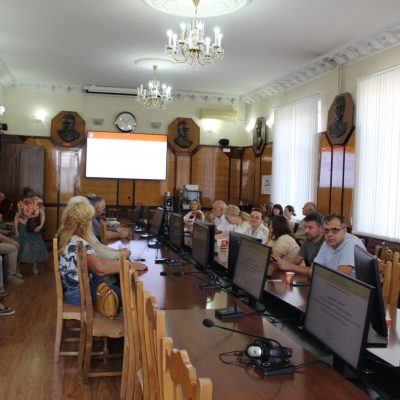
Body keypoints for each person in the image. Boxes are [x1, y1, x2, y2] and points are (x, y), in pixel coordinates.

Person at [58, 201, 146, 305]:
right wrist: (129, 266)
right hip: (81, 294)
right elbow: (100, 270)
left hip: (79, 290)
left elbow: (97, 261)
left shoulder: (70, 237)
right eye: (90, 220)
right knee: (134, 298)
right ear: (84, 223)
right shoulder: (80, 242)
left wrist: (126, 263)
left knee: (128, 293)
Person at [67, 196, 129, 260]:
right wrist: (119, 255)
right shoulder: (80, 230)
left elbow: (97, 245)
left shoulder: (82, 226)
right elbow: (96, 253)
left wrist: (117, 251)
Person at [14, 187, 49, 275]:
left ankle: (34, 267)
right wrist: (16, 230)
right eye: (26, 198)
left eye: (30, 198)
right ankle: (17, 268)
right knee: (22, 247)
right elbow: (16, 217)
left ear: (33, 196)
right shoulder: (21, 203)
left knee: (36, 246)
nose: (28, 200)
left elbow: (42, 215)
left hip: (34, 227)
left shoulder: (38, 201)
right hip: (23, 227)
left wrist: (41, 226)